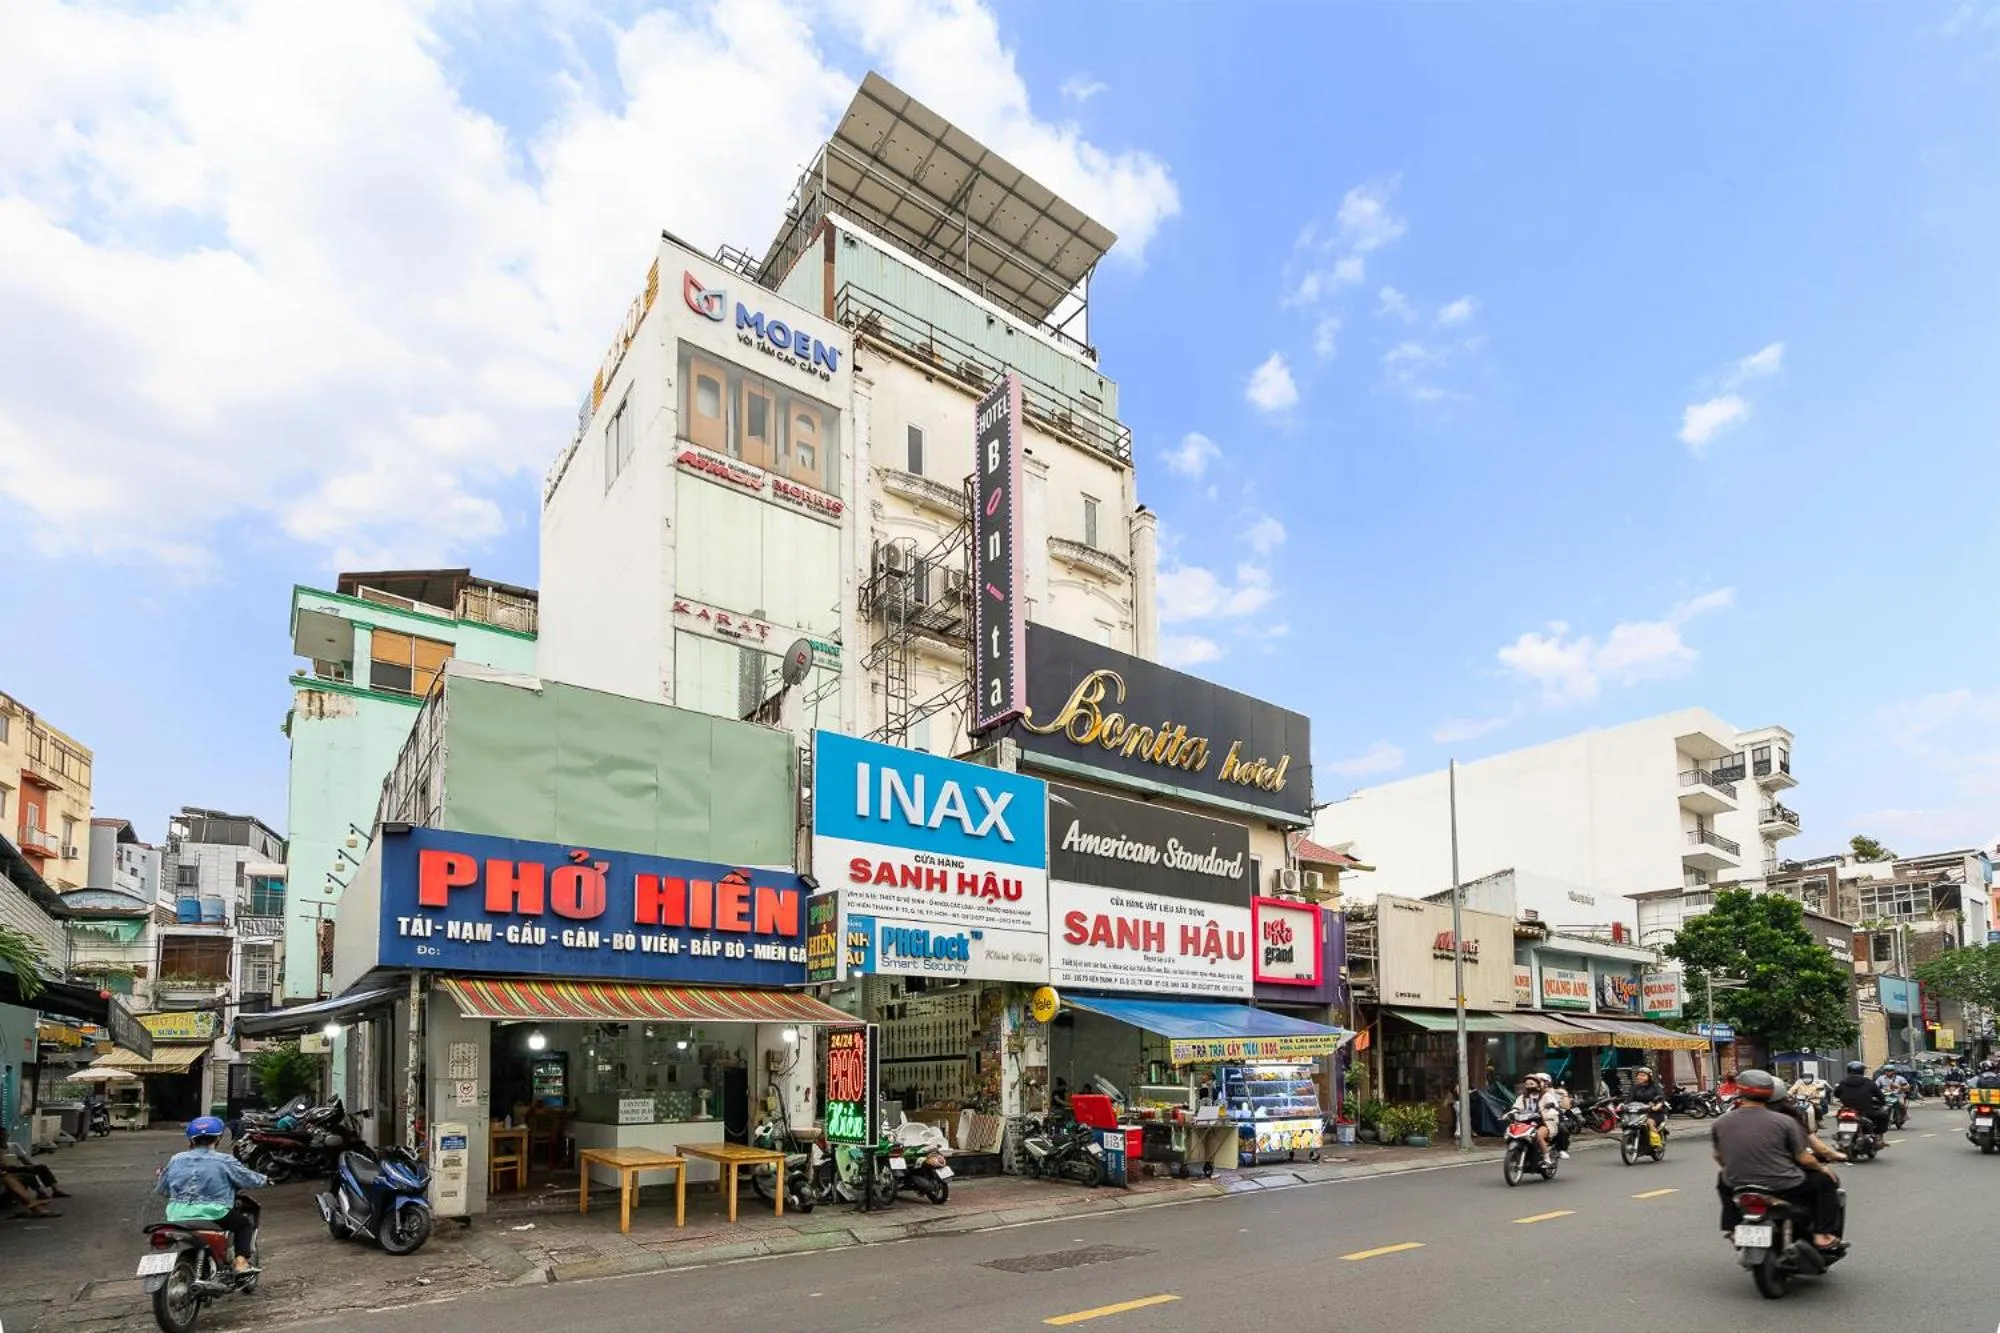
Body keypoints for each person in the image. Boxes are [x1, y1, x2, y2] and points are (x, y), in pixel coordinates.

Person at [1712, 1069, 1843, 1251]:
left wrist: (1734, 1171)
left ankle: (1733, 1227)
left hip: (1738, 1183)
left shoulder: (1721, 1122)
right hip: (1784, 1184)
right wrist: (1821, 1168)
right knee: (1827, 1182)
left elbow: (1719, 1156)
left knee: (1722, 1178)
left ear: (1740, 1091)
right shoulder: (1786, 1121)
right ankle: (1821, 1234)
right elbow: (1803, 1158)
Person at [153, 1116, 267, 1274]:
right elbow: (250, 1179)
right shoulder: (225, 1161)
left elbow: (163, 1190)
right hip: (214, 1214)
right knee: (243, 1225)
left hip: (176, 1214)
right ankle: (241, 1262)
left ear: (192, 1140)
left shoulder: (176, 1159)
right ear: (218, 1138)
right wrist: (265, 1179)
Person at [1509, 1073, 1561, 1166]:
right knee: (1512, 1133)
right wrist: (1511, 1113)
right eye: (1527, 1084)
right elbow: (1516, 1107)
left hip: (1544, 1122)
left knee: (1538, 1135)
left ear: (1538, 1084)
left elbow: (1554, 1106)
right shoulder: (1522, 1097)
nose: (1529, 1086)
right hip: (1526, 1122)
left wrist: (1549, 1113)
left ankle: (1546, 1158)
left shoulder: (1546, 1095)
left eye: (1531, 1084)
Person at [1834, 1060, 1890, 1139]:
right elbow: (1880, 1095)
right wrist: (1883, 1102)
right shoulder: (1868, 1082)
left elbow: (1836, 1094)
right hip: (1865, 1111)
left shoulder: (1843, 1082)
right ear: (1861, 1071)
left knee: (1839, 1115)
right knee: (1883, 1116)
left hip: (1847, 1110)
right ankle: (1877, 1135)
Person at [1626, 1067, 1670, 1139]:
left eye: (1643, 1075)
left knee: (1649, 1122)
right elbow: (1629, 1098)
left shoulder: (1655, 1086)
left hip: (1653, 1112)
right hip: (1638, 1112)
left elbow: (1661, 1096)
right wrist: (1623, 1105)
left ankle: (1656, 1142)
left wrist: (1658, 1105)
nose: (1640, 1077)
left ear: (1649, 1077)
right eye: (1639, 1075)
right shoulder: (1635, 1087)